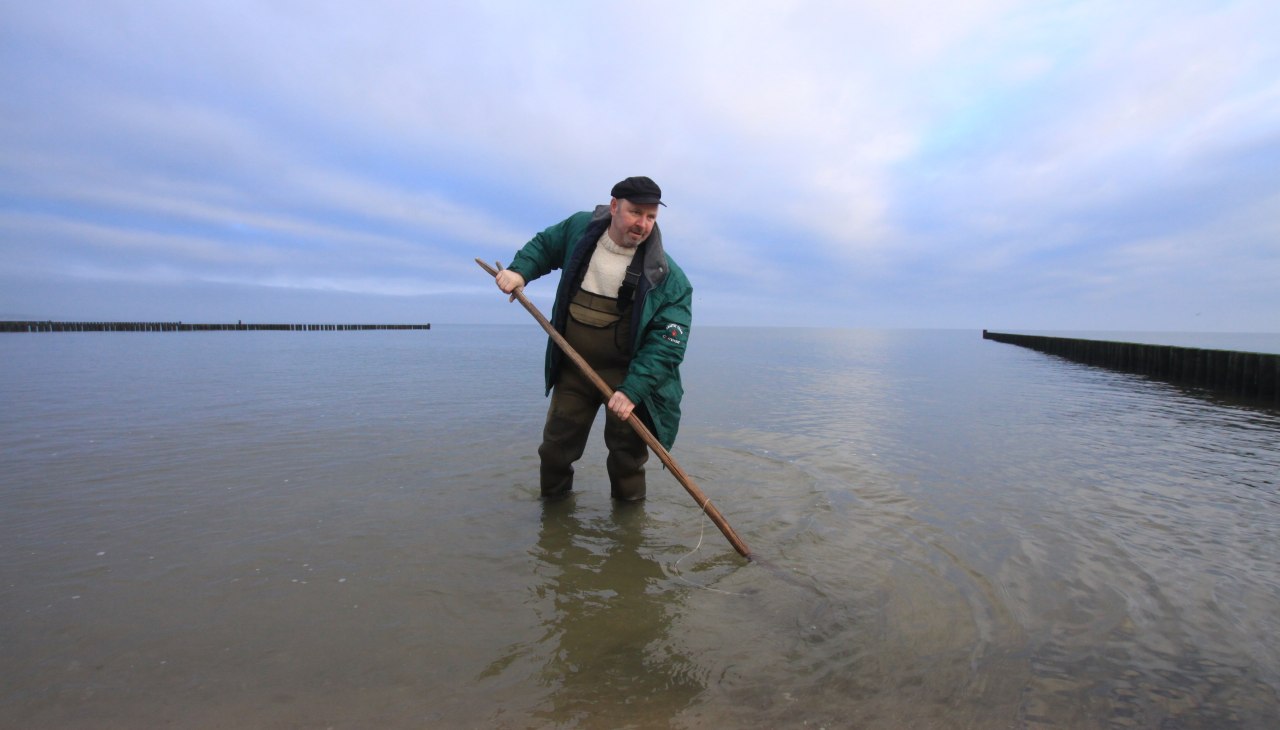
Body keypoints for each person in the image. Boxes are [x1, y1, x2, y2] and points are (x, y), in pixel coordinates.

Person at [495, 176, 692, 502]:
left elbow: (668, 345)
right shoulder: (580, 229)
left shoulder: (667, 276)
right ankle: (554, 525)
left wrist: (633, 390)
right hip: (574, 368)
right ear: (614, 206)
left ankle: (628, 535)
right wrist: (520, 271)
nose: (643, 224)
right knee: (555, 451)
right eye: (635, 212)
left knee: (626, 460)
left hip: (627, 379)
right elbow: (546, 246)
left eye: (651, 216)